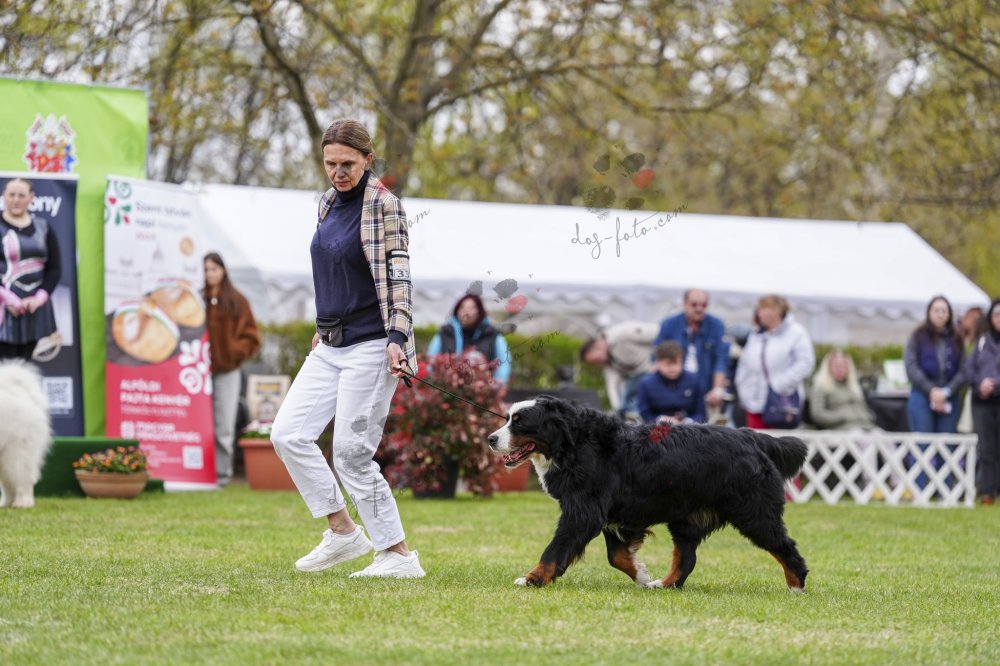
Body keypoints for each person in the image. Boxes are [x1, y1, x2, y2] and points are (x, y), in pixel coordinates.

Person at [269, 119, 424, 578]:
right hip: (330, 343)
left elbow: (399, 280)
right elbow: (334, 270)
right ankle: (342, 532)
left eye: (348, 164)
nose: (338, 172)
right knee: (288, 434)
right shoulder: (327, 202)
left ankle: (398, 556)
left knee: (352, 454)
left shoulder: (385, 206)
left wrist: (397, 338)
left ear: (368, 160)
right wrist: (325, 325)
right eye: (330, 163)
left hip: (373, 346)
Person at [203, 252, 261, 486]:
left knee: (224, 424)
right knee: (199, 423)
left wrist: (233, 352)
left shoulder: (237, 300)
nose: (210, 274)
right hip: (197, 372)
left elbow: (252, 337)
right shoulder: (196, 299)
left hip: (228, 372)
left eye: (214, 269)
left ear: (223, 271)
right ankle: (198, 473)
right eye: (206, 269)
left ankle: (222, 475)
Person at [0, 178, 61, 361]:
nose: (16, 200)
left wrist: (38, 299)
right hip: (4, 309)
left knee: (25, 367)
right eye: (11, 194)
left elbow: (54, 268)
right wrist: (8, 299)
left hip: (34, 311)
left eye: (21, 195)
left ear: (31, 197)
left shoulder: (44, 227)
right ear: (4, 196)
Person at [734, 294, 815, 429]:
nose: (759, 313)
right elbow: (745, 363)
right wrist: (743, 388)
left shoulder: (796, 333)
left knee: (779, 441)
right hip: (753, 405)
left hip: (781, 405)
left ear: (777, 310)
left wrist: (778, 386)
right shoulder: (756, 334)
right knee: (754, 440)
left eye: (763, 309)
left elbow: (805, 363)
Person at [653, 289, 731, 421]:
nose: (699, 309)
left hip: (705, 390)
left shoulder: (717, 325)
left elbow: (721, 359)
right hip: (674, 390)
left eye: (703, 305)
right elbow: (658, 357)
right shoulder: (669, 324)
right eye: (694, 304)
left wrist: (718, 389)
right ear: (684, 304)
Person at [904, 295, 965, 434]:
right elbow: (911, 365)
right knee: (923, 442)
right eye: (936, 310)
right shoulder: (917, 336)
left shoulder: (957, 338)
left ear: (949, 314)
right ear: (929, 312)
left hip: (950, 396)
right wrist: (931, 389)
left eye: (944, 311)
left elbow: (963, 369)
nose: (940, 315)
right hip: (922, 394)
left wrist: (947, 391)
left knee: (946, 442)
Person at [426, 293, 511, 383]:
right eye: (462, 307)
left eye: (471, 308)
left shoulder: (492, 335)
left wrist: (496, 384)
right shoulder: (445, 333)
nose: (466, 311)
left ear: (480, 312)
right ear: (457, 311)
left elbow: (504, 363)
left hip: (483, 388)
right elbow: (430, 361)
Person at [580, 320, 659, 417]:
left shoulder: (622, 334)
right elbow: (612, 386)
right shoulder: (609, 361)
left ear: (597, 345)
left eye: (596, 360)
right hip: (640, 377)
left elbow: (658, 333)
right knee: (626, 396)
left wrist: (660, 361)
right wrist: (618, 409)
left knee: (633, 392)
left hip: (655, 367)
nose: (598, 364)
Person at [964, 298, 1000, 505]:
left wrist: (995, 384)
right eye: (996, 315)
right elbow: (969, 370)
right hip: (982, 402)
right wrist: (981, 384)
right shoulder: (982, 342)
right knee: (986, 448)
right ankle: (988, 491)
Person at [636, 341, 705, 424]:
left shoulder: (694, 380)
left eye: (676, 363)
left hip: (689, 428)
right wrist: (660, 420)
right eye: (668, 364)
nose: (673, 368)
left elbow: (701, 413)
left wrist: (686, 421)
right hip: (656, 428)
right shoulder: (646, 383)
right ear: (658, 362)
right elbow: (644, 413)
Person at [809, 350, 876, 431]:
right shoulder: (821, 387)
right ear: (828, 367)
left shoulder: (854, 387)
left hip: (867, 426)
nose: (840, 369)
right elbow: (817, 414)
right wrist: (842, 416)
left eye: (844, 365)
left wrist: (868, 416)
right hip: (842, 430)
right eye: (836, 365)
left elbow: (864, 409)